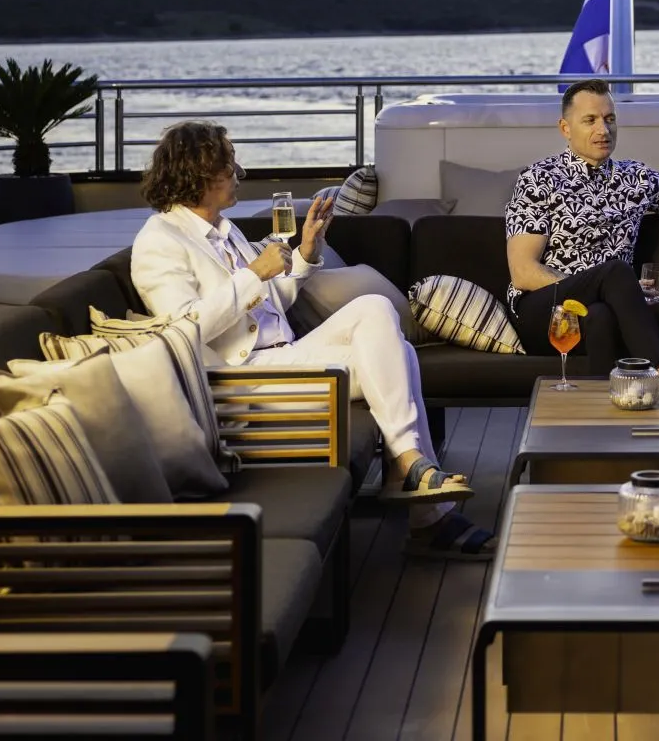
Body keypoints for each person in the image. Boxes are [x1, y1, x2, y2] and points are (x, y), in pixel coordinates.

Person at [132, 121, 493, 560]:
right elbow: (182, 331)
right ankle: (422, 499)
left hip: (285, 358)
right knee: (395, 353)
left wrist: (305, 252)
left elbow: (270, 304)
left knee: (376, 311)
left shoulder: (225, 232)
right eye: (229, 163)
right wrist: (252, 274)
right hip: (242, 383)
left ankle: (410, 466)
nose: (239, 171)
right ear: (200, 172)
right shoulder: (159, 241)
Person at [505, 78, 659, 374]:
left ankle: (606, 407)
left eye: (609, 119)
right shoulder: (539, 179)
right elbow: (523, 273)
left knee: (600, 316)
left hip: (605, 310)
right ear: (565, 128)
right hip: (542, 309)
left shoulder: (637, 178)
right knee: (614, 272)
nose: (603, 130)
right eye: (590, 120)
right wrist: (600, 287)